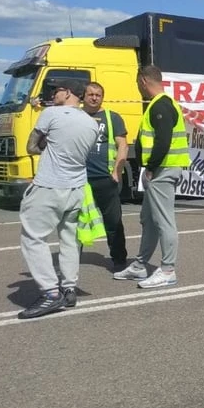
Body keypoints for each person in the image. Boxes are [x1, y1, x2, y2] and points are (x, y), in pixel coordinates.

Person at [17, 78, 100, 319]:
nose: (53, 94)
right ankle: (69, 288)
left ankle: (50, 293)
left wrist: (48, 144)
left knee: (33, 237)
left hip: (50, 186)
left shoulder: (51, 114)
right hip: (76, 189)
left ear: (68, 92)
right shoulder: (91, 123)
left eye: (57, 90)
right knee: (69, 240)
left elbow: (31, 146)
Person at [114, 65, 191, 289]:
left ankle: (168, 270)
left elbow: (163, 140)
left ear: (143, 81)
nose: (138, 87)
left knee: (164, 221)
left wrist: (151, 167)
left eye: (137, 83)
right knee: (148, 219)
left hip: (162, 170)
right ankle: (140, 265)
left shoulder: (161, 105)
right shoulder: (162, 104)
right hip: (160, 170)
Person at [82, 82, 130, 271]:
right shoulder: (76, 116)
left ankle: (119, 260)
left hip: (105, 178)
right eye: (91, 94)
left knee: (113, 221)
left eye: (98, 95)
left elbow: (123, 145)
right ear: (83, 96)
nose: (94, 98)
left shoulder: (112, 117)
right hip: (80, 179)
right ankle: (71, 260)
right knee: (76, 221)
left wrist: (116, 172)